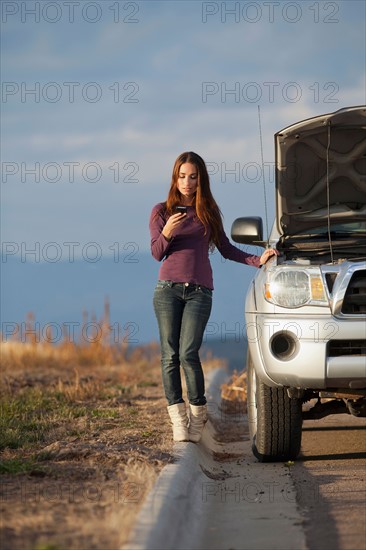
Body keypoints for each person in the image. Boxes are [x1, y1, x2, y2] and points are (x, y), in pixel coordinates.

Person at [149, 152, 277, 443]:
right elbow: (157, 252)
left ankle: (197, 414)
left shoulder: (207, 212)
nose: (187, 182)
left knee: (188, 353)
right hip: (167, 290)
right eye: (182, 176)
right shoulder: (161, 211)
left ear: (201, 179)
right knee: (169, 356)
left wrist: (259, 260)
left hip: (199, 292)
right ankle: (178, 419)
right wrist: (167, 232)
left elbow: (227, 249)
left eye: (193, 176)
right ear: (175, 177)